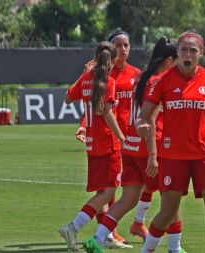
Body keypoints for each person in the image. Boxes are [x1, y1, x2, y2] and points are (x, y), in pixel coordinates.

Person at [136, 29, 205, 253]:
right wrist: (141, 125)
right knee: (168, 212)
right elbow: (143, 115)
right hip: (173, 155)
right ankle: (147, 250)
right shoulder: (162, 80)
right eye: (184, 49)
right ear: (177, 52)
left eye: (193, 50)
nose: (188, 54)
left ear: (201, 53)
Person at [82, 36, 187, 253]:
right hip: (148, 148)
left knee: (127, 199)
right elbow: (149, 120)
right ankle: (175, 249)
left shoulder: (139, 77)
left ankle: (97, 239)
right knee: (172, 196)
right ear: (169, 61)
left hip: (129, 147)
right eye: (177, 61)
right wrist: (152, 155)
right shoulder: (159, 81)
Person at [59, 41, 130, 251]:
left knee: (102, 191)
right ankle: (73, 227)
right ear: (114, 59)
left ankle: (105, 235)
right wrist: (123, 138)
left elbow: (67, 98)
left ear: (95, 58)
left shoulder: (85, 79)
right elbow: (107, 112)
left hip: (92, 146)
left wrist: (83, 74)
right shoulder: (109, 81)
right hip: (109, 143)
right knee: (108, 194)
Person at [75, 30, 142, 244]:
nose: (123, 49)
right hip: (111, 136)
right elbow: (94, 107)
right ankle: (107, 233)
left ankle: (127, 226)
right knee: (108, 187)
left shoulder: (136, 74)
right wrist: (85, 126)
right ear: (112, 51)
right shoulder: (104, 75)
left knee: (129, 184)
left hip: (130, 136)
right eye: (119, 45)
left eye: (126, 45)